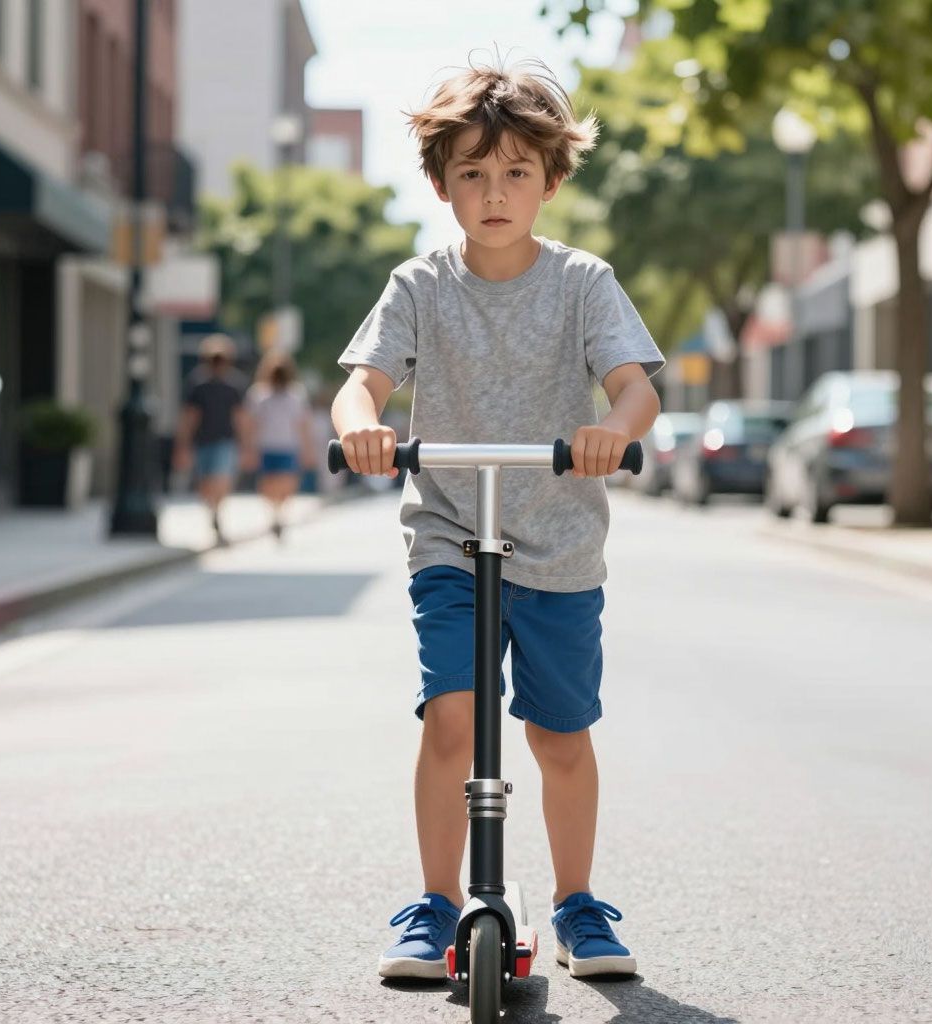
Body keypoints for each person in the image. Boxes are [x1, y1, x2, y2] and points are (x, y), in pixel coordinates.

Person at [331, 58, 664, 982]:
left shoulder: (583, 283)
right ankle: (437, 901)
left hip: (558, 542)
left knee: (559, 735)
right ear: (441, 184)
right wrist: (362, 427)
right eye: (472, 173)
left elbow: (636, 388)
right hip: (450, 531)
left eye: (517, 172)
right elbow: (363, 384)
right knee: (452, 717)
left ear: (551, 181)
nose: (494, 193)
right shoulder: (419, 285)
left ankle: (577, 904)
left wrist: (612, 429)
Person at [173, 334, 247, 545]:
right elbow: (190, 417)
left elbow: (240, 417)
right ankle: (212, 511)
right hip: (203, 440)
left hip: (225, 440)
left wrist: (246, 444)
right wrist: (183, 445)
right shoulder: (197, 384)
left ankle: (218, 512)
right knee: (205, 483)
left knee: (221, 479)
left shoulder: (234, 385)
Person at [240, 350, 316, 540]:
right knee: (268, 483)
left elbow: (303, 424)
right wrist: (248, 448)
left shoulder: (296, 394)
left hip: (288, 445)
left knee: (287, 483)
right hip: (266, 445)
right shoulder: (258, 394)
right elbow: (250, 423)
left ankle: (280, 513)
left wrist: (308, 449)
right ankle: (274, 514)